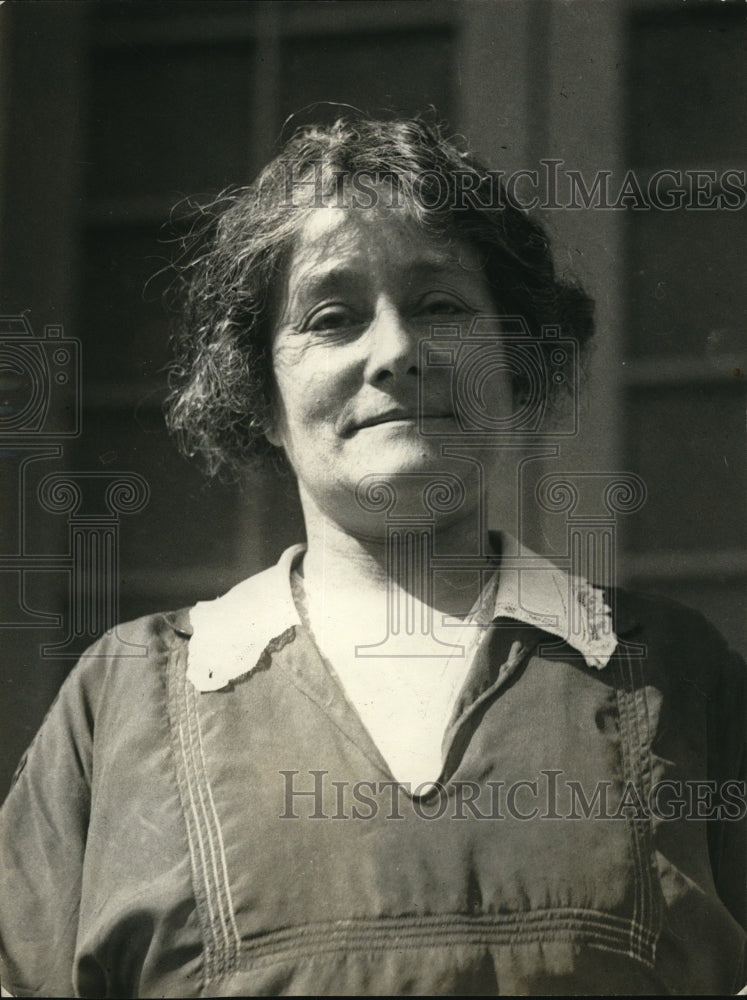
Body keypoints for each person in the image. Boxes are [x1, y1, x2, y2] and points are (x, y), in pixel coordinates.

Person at [0, 117, 744, 998]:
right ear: (260, 397)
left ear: (515, 364)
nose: (395, 353)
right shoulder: (117, 701)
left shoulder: (677, 676)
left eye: (440, 306)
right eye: (332, 317)